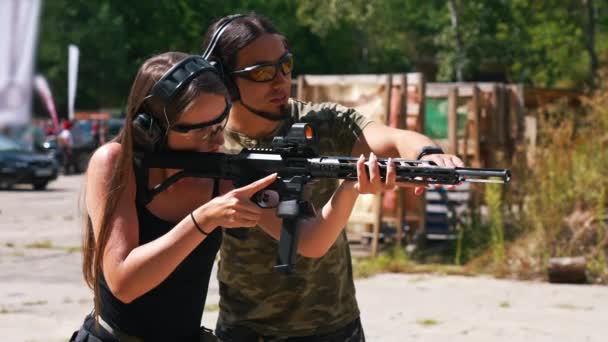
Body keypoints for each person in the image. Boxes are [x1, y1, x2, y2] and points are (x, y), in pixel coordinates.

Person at [70, 51, 393, 342]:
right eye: (201, 130)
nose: (217, 139)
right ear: (151, 128)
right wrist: (204, 219)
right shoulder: (116, 163)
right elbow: (125, 283)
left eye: (220, 124)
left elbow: (309, 242)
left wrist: (350, 186)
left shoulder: (221, 172)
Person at [201, 13, 465, 341]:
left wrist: (427, 156)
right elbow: (306, 241)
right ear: (225, 81)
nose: (280, 80)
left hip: (334, 325)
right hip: (248, 329)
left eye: (285, 65)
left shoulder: (319, 121)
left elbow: (393, 138)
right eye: (263, 72)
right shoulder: (210, 146)